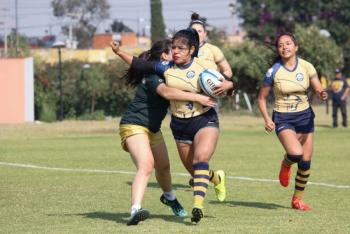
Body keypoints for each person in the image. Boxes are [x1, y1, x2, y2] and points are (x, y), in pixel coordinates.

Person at [111, 28, 234, 223]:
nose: (175, 51)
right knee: (162, 167)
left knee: (177, 166)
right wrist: (119, 52)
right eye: (172, 48)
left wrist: (228, 85)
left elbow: (224, 84)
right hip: (152, 124)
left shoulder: (197, 67)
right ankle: (137, 209)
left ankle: (185, 202)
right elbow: (145, 70)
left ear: (191, 50)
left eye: (179, 48)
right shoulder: (160, 72)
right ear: (164, 55)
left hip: (174, 124)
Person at [258, 32, 328, 211]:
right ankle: (286, 164)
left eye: (288, 43)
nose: (284, 47)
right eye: (281, 45)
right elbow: (261, 98)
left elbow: (316, 84)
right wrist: (267, 119)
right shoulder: (273, 71)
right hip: (283, 118)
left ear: (296, 47)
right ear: (278, 49)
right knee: (295, 154)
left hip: (305, 117)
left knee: (305, 162)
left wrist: (321, 92)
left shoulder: (306, 66)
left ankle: (297, 200)